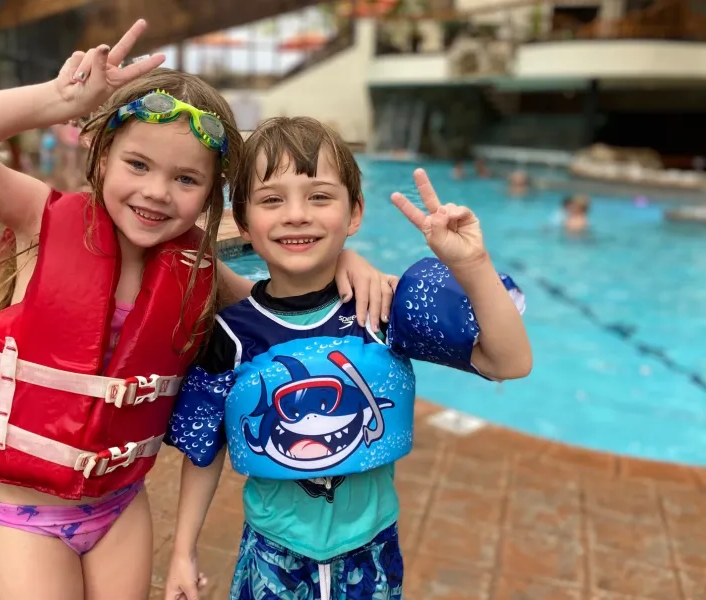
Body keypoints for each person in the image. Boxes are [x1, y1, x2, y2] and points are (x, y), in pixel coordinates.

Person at [0, 22, 396, 600]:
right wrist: (58, 101)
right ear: (103, 155)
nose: (157, 192)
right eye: (138, 165)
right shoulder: (40, 217)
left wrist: (348, 259)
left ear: (211, 196)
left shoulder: (198, 274)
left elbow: (283, 301)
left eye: (186, 179)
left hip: (119, 510)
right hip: (27, 516)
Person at [163, 117, 532, 600]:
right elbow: (204, 450)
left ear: (354, 213)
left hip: (372, 554)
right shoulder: (231, 334)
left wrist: (470, 264)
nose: (297, 215)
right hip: (273, 555)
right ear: (245, 220)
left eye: (320, 196)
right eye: (273, 199)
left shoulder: (381, 310)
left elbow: (509, 361)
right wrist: (182, 551)